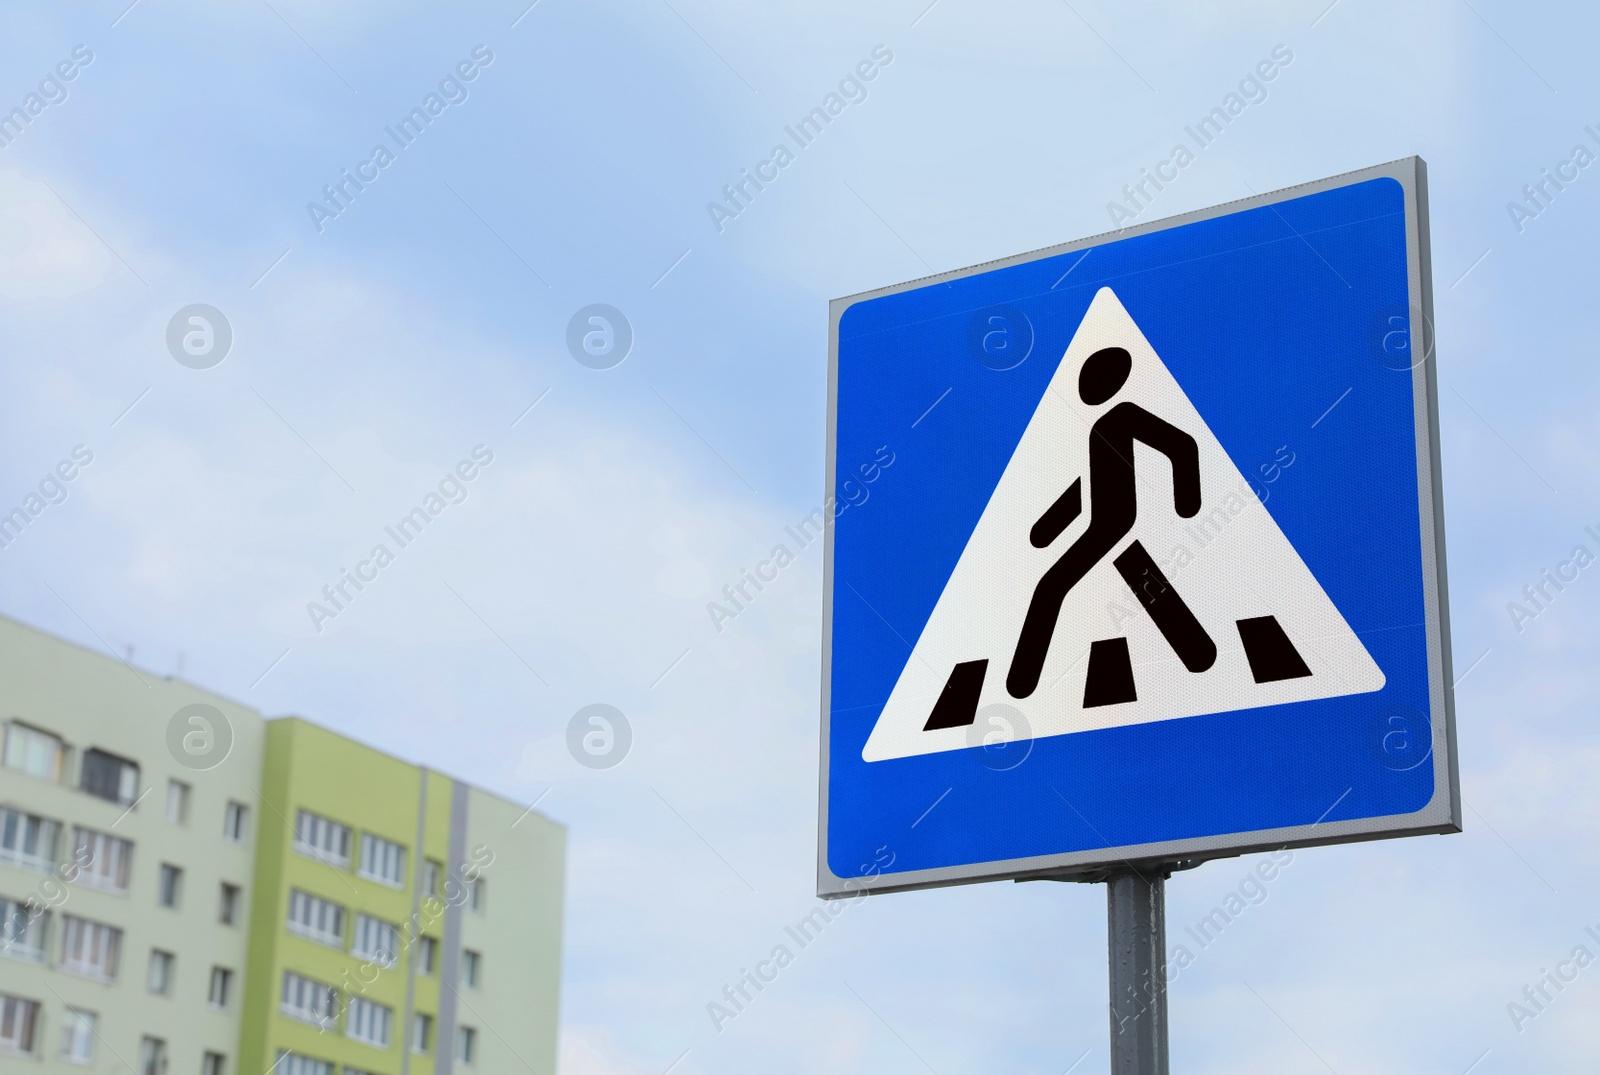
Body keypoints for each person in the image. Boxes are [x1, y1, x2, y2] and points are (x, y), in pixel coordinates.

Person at [1006, 345, 1215, 700]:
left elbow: (1181, 446)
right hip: (1104, 524)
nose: (1087, 390)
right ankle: (1198, 652)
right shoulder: (1101, 428)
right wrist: (1046, 530)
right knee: (1141, 580)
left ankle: (1021, 683)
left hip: (1116, 523)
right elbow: (1086, 486)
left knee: (1051, 588)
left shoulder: (1124, 416)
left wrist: (1188, 504)